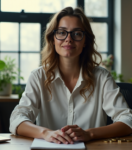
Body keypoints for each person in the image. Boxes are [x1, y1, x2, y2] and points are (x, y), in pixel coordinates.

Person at [9, 7, 132, 144]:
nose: (68, 39)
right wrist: (45, 133)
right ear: (53, 39)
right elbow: (17, 119)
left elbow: (127, 120)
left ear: (85, 40)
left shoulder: (102, 77)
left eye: (77, 33)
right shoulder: (38, 76)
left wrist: (89, 134)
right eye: (61, 32)